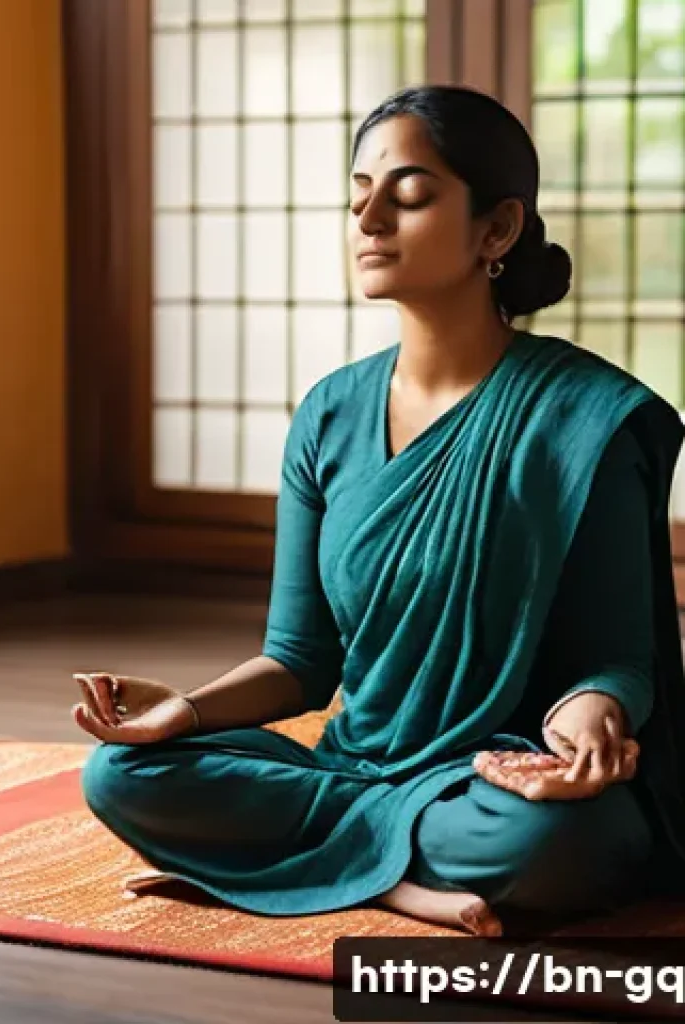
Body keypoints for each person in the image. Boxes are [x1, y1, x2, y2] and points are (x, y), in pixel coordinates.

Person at [72, 85, 685, 937]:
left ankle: (329, 861)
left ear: (496, 230)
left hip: (499, 780)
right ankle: (394, 879)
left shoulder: (585, 418)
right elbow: (298, 659)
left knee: (559, 839)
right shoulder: (330, 412)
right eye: (358, 194)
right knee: (119, 774)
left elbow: (618, 659)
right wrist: (189, 711)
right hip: (358, 763)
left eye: (408, 195)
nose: (368, 220)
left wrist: (589, 715)